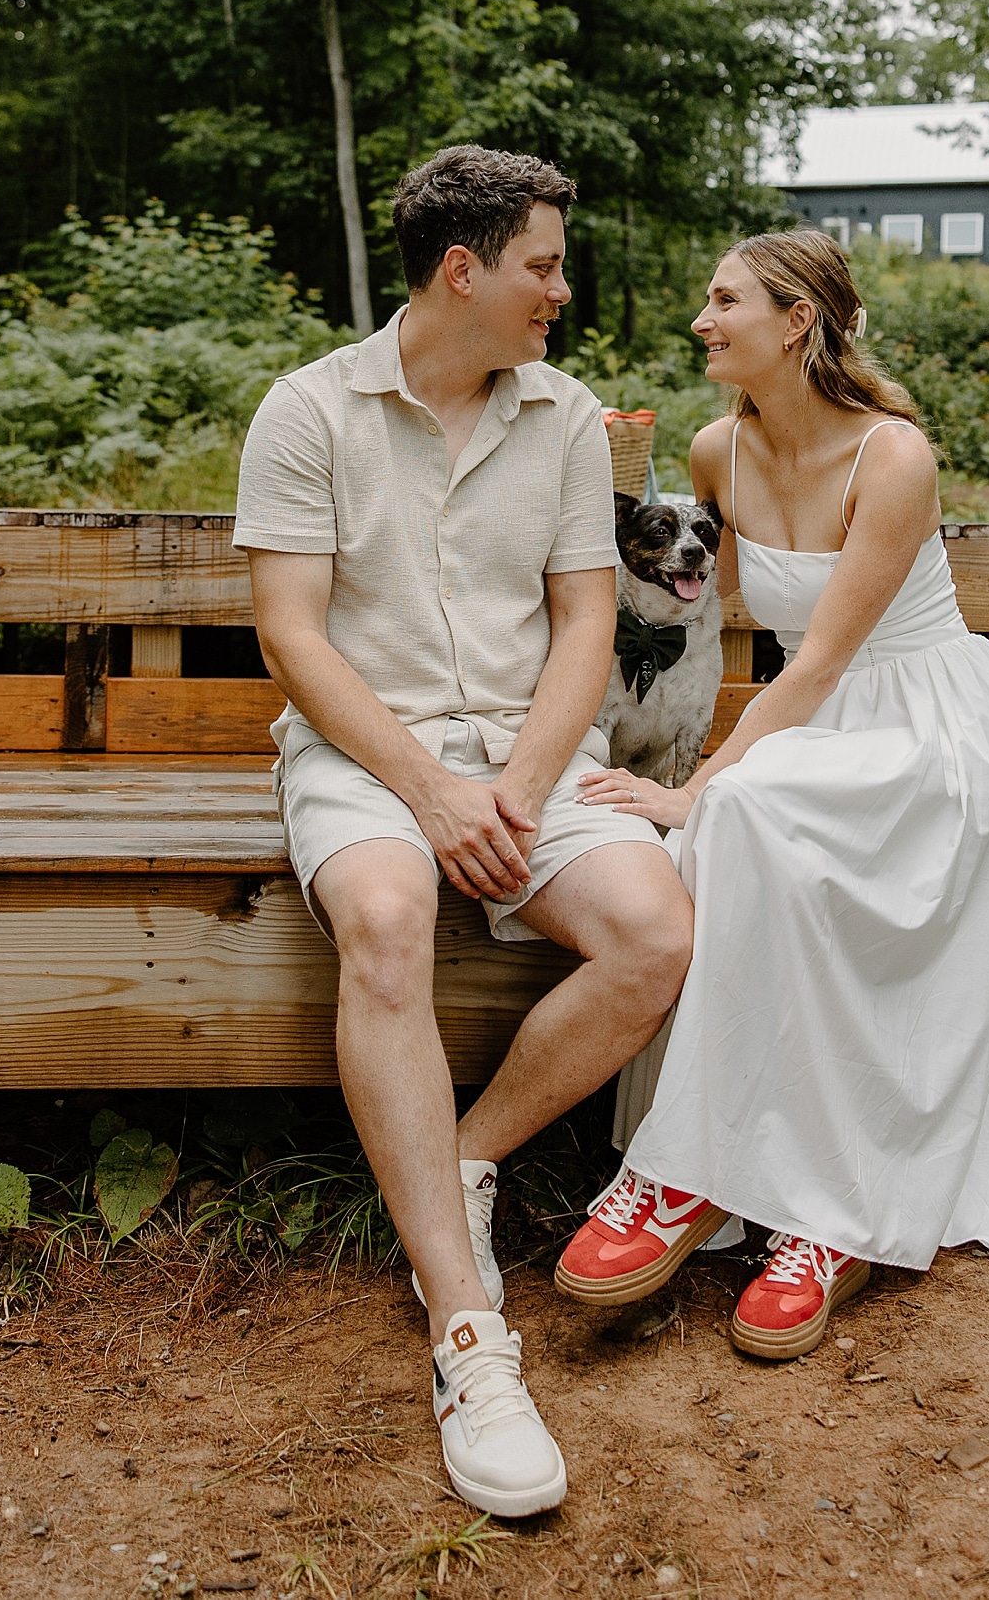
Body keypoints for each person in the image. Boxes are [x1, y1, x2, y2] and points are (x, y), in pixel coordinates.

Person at [233, 145, 694, 1514]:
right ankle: (465, 1334)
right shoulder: (309, 411)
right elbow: (293, 637)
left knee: (656, 925)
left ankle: (467, 1157)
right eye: (543, 264)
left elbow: (586, 623)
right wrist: (430, 793)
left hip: (527, 756)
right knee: (384, 916)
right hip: (366, 758)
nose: (559, 289)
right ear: (465, 269)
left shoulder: (561, 420)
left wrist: (521, 785)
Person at [555, 228, 989, 1357]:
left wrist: (696, 790)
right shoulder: (712, 452)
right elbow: (700, 617)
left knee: (735, 816)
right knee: (744, 823)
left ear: (795, 321)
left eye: (723, 299)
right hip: (811, 724)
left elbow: (821, 659)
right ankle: (704, 1173)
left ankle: (811, 1210)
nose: (700, 318)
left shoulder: (895, 459)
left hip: (929, 728)